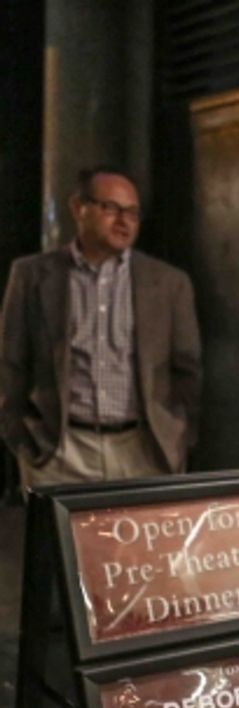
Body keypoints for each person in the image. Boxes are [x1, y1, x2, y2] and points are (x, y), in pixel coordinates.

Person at [0, 166, 201, 486]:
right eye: (111, 208)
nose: (124, 221)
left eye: (133, 213)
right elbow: (11, 366)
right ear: (78, 208)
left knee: (139, 538)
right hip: (61, 452)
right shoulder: (31, 275)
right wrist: (23, 442)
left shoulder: (168, 283)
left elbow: (187, 371)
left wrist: (178, 436)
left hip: (143, 451)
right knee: (56, 538)